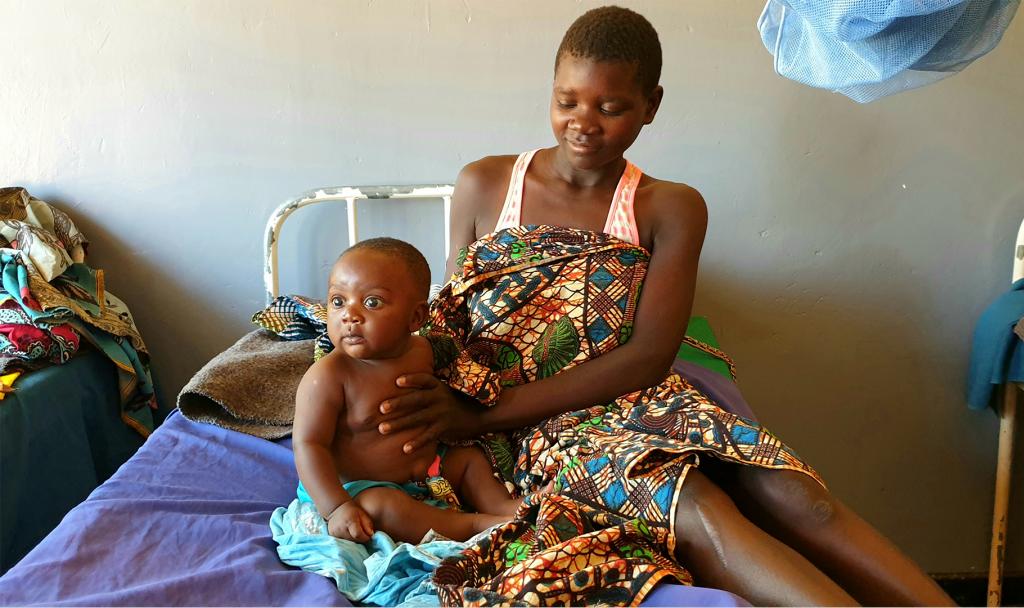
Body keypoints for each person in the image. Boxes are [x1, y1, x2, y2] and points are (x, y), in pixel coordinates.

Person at [375, 6, 956, 607]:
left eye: (611, 107)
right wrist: (447, 403)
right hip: (533, 429)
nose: (583, 124)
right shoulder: (485, 184)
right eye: (567, 101)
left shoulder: (668, 207)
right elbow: (452, 317)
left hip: (633, 396)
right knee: (699, 504)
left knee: (801, 500)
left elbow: (649, 356)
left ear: (651, 106)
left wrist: (482, 417)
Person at [291, 238, 525, 545]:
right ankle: (473, 525)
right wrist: (335, 507)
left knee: (468, 459)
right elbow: (308, 444)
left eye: (372, 302)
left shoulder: (425, 351)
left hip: (429, 471)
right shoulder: (329, 376)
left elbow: (469, 380)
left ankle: (505, 507)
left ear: (416, 318)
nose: (349, 315)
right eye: (338, 301)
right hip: (358, 488)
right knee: (383, 508)